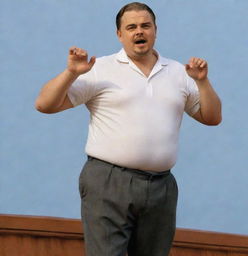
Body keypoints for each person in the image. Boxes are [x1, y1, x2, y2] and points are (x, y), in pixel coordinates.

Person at [35, 2, 222, 256]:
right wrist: (71, 72)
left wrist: (202, 82)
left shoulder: (178, 72)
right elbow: (45, 104)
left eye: (145, 26)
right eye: (131, 27)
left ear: (155, 30)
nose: (139, 32)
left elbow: (212, 117)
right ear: (119, 34)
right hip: (108, 181)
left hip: (161, 186)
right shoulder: (100, 68)